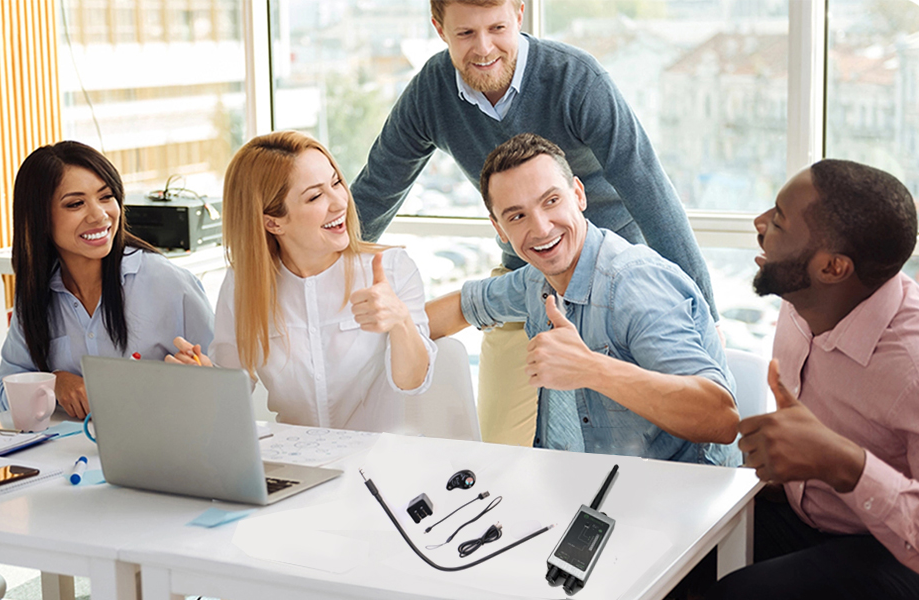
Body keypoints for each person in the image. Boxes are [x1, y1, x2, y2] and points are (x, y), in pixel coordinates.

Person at [351, 0, 716, 447]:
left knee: (628, 431)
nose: (483, 48)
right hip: (527, 273)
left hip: (612, 267)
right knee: (504, 442)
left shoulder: (575, 79)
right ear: (439, 28)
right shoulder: (433, 91)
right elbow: (374, 191)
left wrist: (708, 315)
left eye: (497, 27)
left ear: (519, 14)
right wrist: (309, 274)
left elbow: (648, 190)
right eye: (465, 34)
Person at [427, 133, 739, 464]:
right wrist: (388, 328)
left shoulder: (633, 286)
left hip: (683, 496)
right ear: (500, 229)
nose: (542, 228)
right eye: (517, 216)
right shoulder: (538, 279)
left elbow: (720, 420)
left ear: (578, 195)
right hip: (583, 484)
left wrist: (591, 369)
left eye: (551, 201)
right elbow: (464, 305)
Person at [706, 160, 919, 599]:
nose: (759, 223)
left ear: (832, 268)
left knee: (740, 595)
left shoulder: (911, 366)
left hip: (892, 549)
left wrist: (843, 463)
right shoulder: (801, 296)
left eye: (779, 222)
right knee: (674, 547)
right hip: (803, 514)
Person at [170, 131, 436, 433]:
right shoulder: (243, 285)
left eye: (336, 183)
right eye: (315, 196)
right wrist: (204, 379)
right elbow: (233, 392)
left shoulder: (392, 269)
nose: (339, 202)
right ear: (273, 222)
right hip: (298, 463)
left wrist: (400, 320)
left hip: (378, 461)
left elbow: (413, 383)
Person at [0, 141, 215, 418]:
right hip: (69, 456)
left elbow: (226, 389)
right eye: (75, 204)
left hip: (161, 453)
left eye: (106, 196)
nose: (99, 215)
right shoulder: (36, 294)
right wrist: (55, 382)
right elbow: (2, 396)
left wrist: (201, 376)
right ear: (40, 218)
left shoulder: (167, 282)